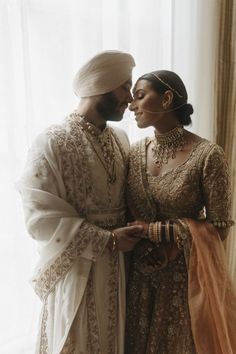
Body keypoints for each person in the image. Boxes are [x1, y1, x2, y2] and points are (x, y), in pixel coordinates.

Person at [17, 50, 143, 354]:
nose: (129, 98)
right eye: (124, 86)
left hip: (119, 270)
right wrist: (106, 239)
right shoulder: (52, 140)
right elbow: (39, 218)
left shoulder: (121, 139)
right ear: (102, 84)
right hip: (77, 270)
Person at [125, 70, 236, 354]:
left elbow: (220, 228)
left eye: (139, 97)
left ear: (166, 99)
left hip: (183, 282)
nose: (131, 105)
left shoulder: (208, 156)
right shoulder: (133, 153)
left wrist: (157, 233)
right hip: (138, 276)